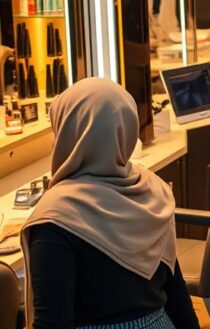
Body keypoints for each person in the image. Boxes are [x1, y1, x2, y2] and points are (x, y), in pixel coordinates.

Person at [22, 78, 200, 329]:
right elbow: (178, 299)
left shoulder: (55, 217)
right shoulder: (153, 192)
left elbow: (52, 323)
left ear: (73, 135)